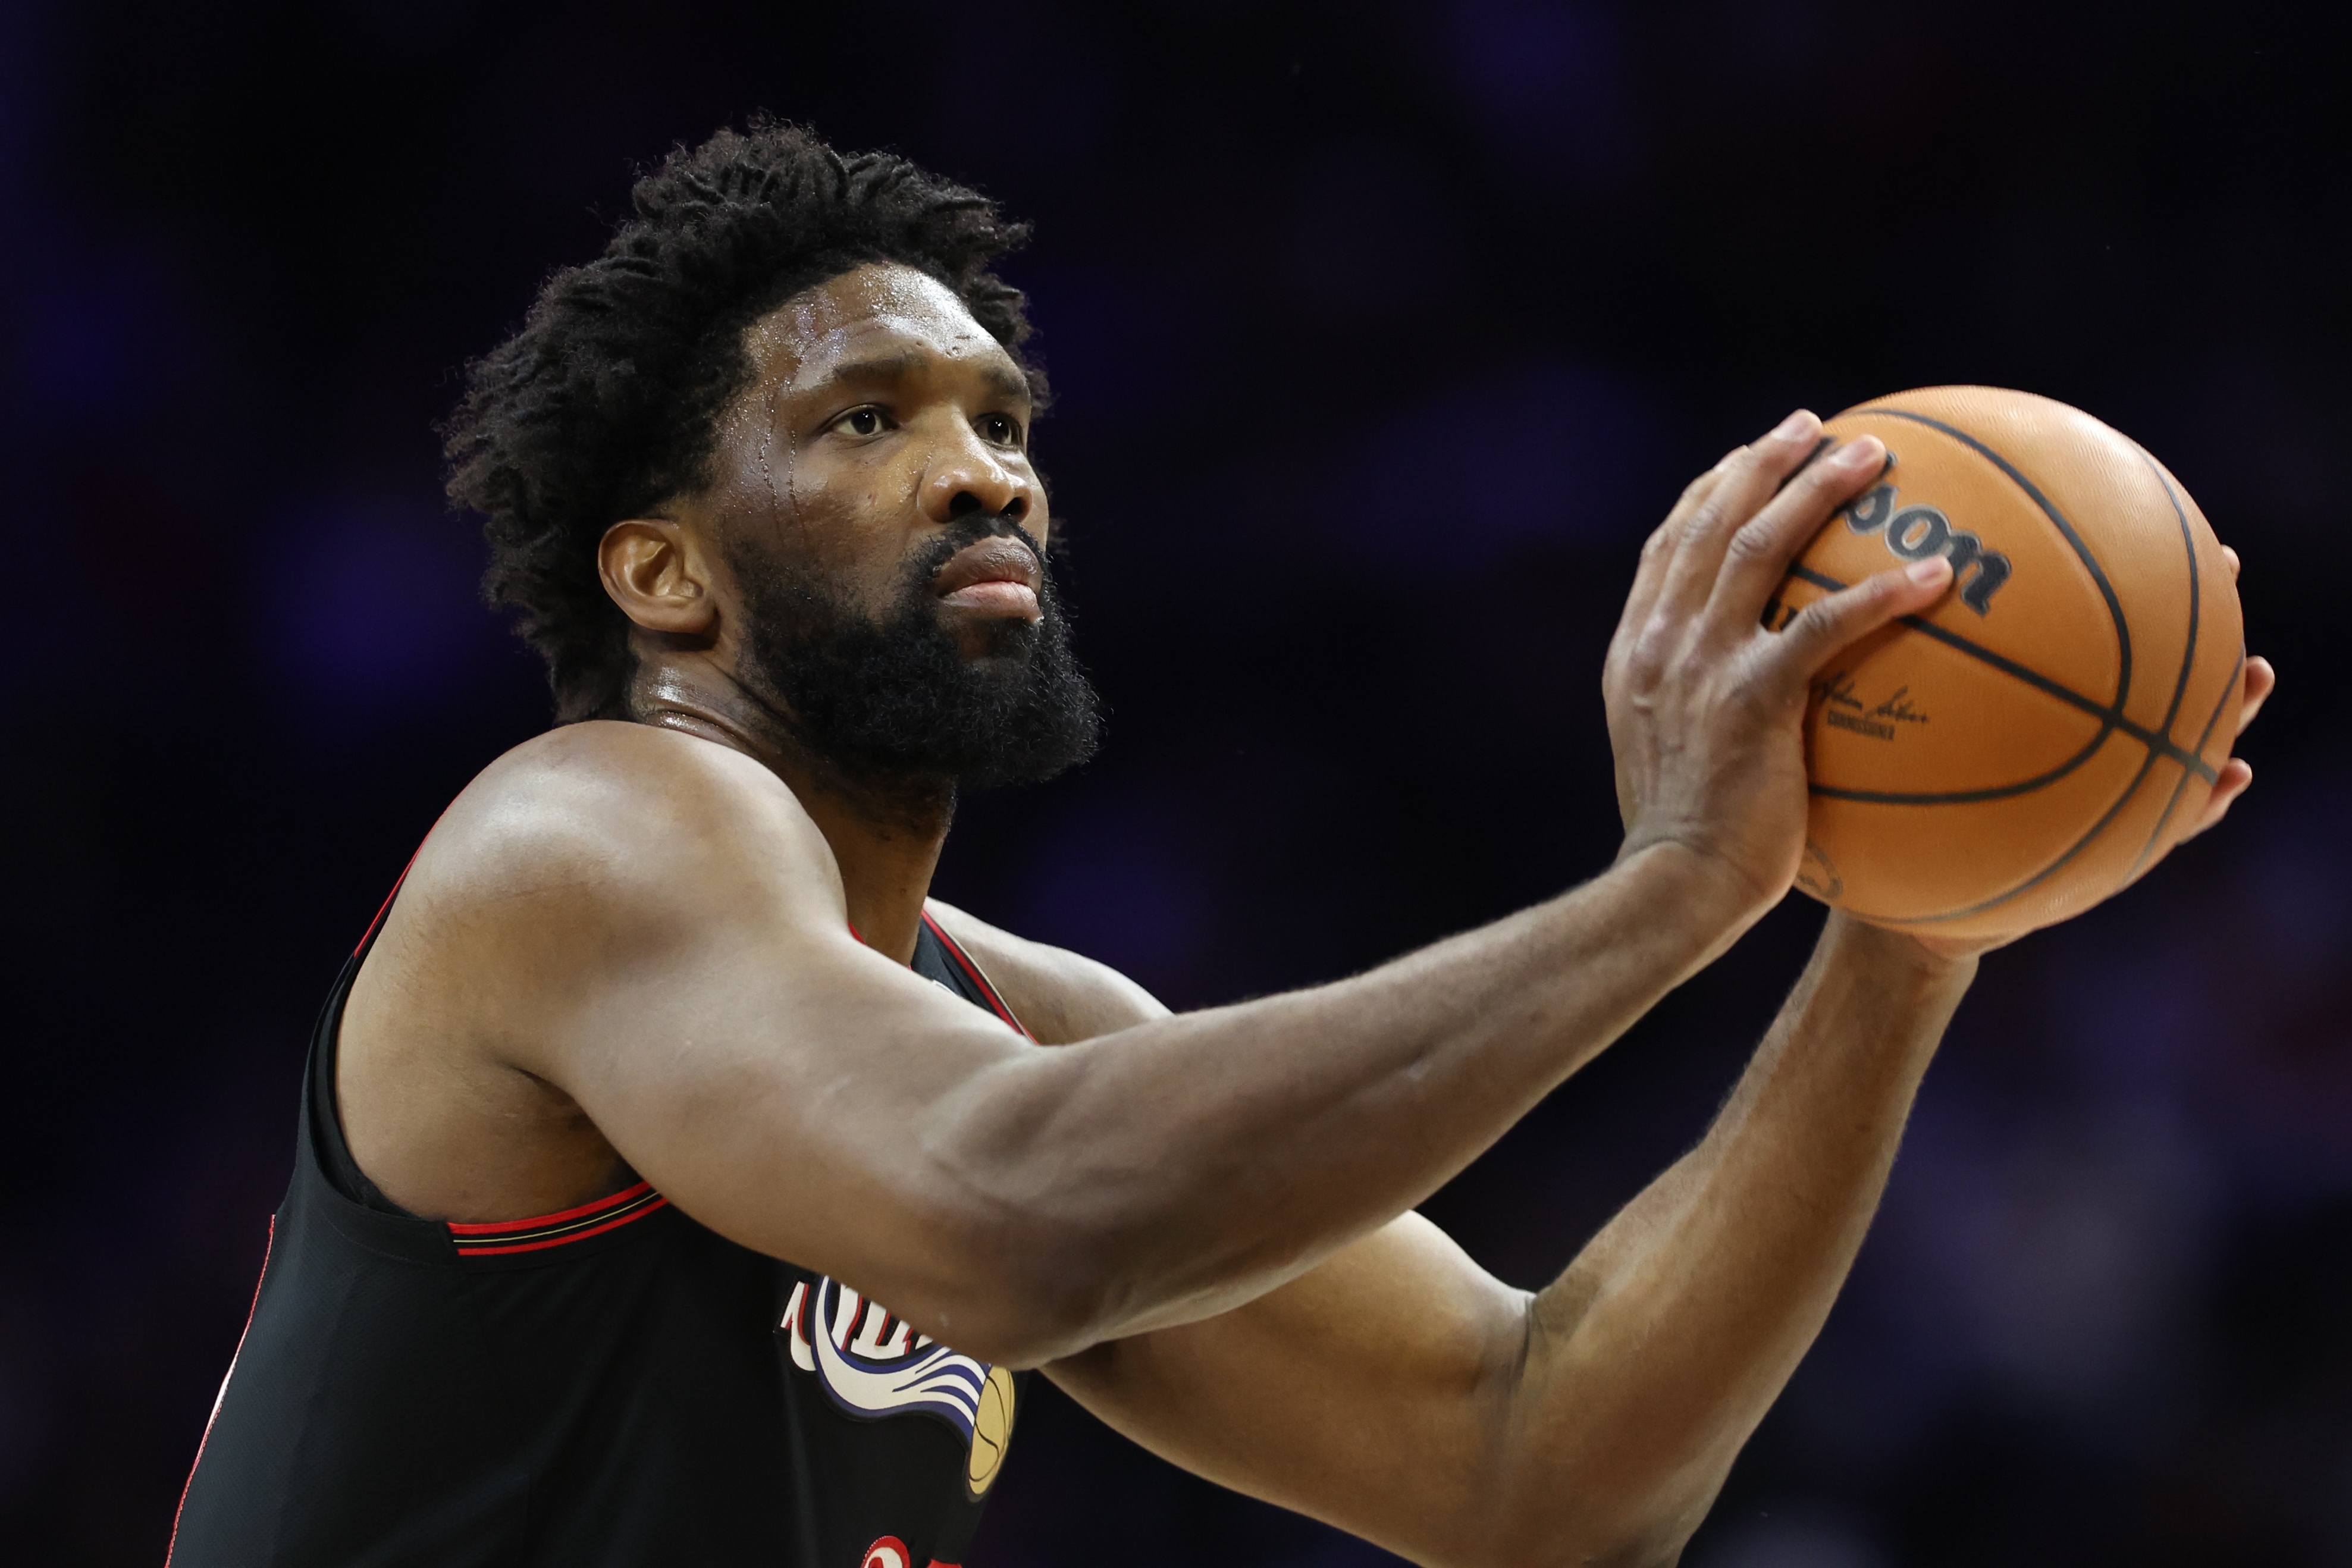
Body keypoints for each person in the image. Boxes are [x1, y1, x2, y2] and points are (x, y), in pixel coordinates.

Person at [165, 120, 2273, 1568]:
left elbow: (1536, 1465)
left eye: (1003, 420)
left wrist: (1913, 920)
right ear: (661, 574)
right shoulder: (581, 830)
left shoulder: (1010, 1024)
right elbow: (1010, 1214)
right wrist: (1670, 893)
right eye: (868, 418)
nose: (985, 472)